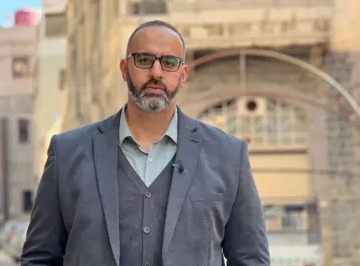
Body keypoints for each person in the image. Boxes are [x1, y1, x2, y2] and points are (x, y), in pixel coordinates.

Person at [21, 20, 270, 266]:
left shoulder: (227, 155)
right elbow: (40, 258)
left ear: (182, 75)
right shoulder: (67, 153)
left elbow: (251, 259)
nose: (156, 72)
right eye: (144, 59)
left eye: (169, 62)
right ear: (124, 68)